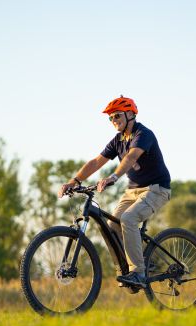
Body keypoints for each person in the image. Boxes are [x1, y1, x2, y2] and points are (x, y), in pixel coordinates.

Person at [58, 95, 171, 290]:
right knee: (111, 226)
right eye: (110, 118)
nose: (114, 121)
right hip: (133, 191)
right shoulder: (118, 140)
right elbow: (95, 162)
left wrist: (113, 177)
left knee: (128, 218)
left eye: (117, 116)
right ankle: (125, 270)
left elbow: (130, 157)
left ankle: (138, 271)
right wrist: (74, 181)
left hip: (156, 189)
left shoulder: (143, 134)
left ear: (130, 114)